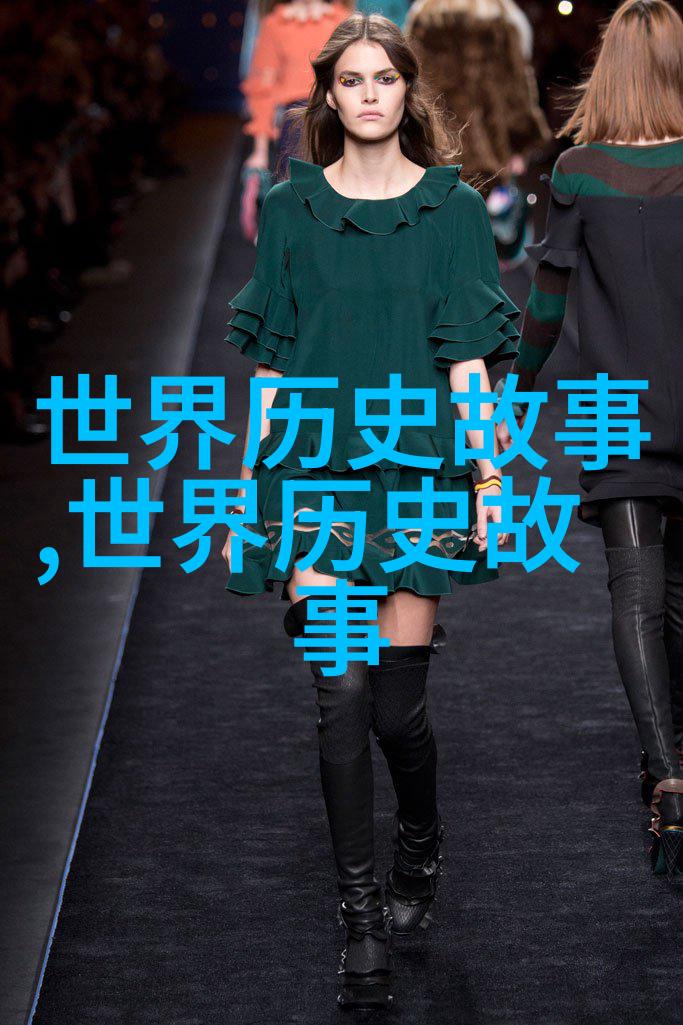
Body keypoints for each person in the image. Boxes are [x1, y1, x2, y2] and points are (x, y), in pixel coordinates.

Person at [222, 11, 520, 1009]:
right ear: (327, 95)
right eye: (349, 80)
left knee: (397, 709)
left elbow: (468, 361)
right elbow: (271, 362)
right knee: (341, 694)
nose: (367, 95)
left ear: (406, 90)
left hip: (419, 472)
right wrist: (249, 487)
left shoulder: (451, 211)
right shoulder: (291, 207)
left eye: (382, 79)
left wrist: (488, 478)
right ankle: (360, 921)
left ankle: (419, 842)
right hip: (313, 476)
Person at [497, 0, 683, 880]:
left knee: (634, 593)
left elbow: (545, 298)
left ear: (608, 69)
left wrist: (512, 395)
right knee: (675, 597)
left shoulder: (577, 172)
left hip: (620, 410)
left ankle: (667, 775)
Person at [403, 0, 551, 194]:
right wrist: (520, 145)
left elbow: (413, 87)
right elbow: (516, 95)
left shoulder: (424, 17)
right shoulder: (503, 18)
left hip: (435, 151)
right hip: (491, 155)